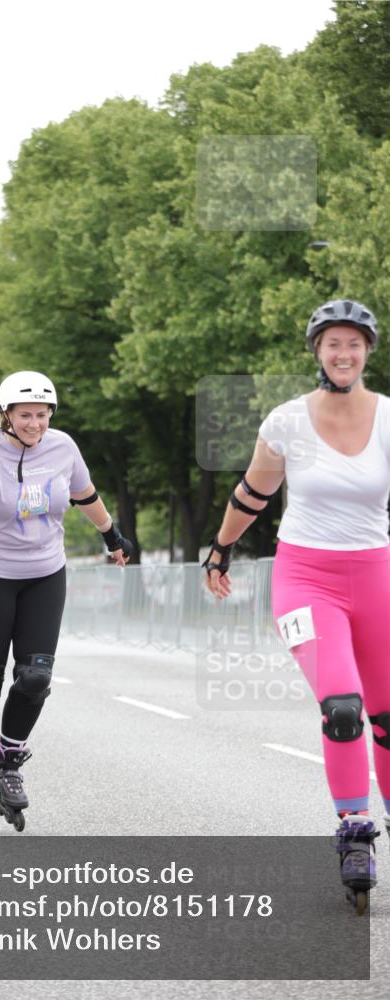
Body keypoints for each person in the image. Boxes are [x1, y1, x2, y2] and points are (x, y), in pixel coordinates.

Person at [202, 300, 390, 913]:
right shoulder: (286, 421)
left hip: (376, 575)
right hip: (306, 577)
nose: (343, 354)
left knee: (388, 719)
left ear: (367, 351)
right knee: (343, 708)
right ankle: (354, 830)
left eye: (354, 344)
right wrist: (221, 549)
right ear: (317, 351)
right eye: (333, 344)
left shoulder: (388, 418)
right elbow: (254, 491)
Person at [0, 370, 132, 834]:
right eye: (25, 415)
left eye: (42, 415)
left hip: (44, 575)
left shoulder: (63, 447)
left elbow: (86, 495)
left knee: (36, 676)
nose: (35, 424)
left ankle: (8, 763)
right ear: (5, 415)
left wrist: (112, 536)